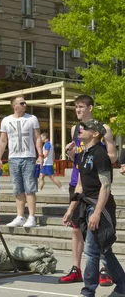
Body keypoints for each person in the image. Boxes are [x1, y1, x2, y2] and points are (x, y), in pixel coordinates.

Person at [63, 119, 125, 297]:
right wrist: (70, 209)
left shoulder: (100, 155)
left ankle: (88, 291)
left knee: (91, 251)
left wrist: (97, 213)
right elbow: (80, 186)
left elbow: (105, 186)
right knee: (104, 251)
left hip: (100, 206)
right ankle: (122, 287)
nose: (80, 130)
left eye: (85, 128)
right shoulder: (82, 155)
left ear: (95, 133)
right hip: (86, 204)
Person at [60, 95, 116, 285]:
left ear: (90, 108)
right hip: (78, 182)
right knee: (76, 228)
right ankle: (76, 268)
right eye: (76, 107)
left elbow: (113, 157)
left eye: (81, 107)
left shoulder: (104, 129)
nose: (78, 110)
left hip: (95, 185)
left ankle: (104, 269)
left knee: (98, 231)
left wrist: (92, 150)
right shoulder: (75, 129)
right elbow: (76, 159)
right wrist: (71, 153)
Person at [0, 95, 43, 228]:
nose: (24, 105)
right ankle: (20, 216)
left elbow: (37, 137)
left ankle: (32, 217)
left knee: (30, 188)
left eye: (25, 103)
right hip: (13, 157)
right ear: (14, 106)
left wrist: (40, 155)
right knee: (17, 188)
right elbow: (3, 140)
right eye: (21, 103)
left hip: (29, 157)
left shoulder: (32, 118)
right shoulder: (6, 120)